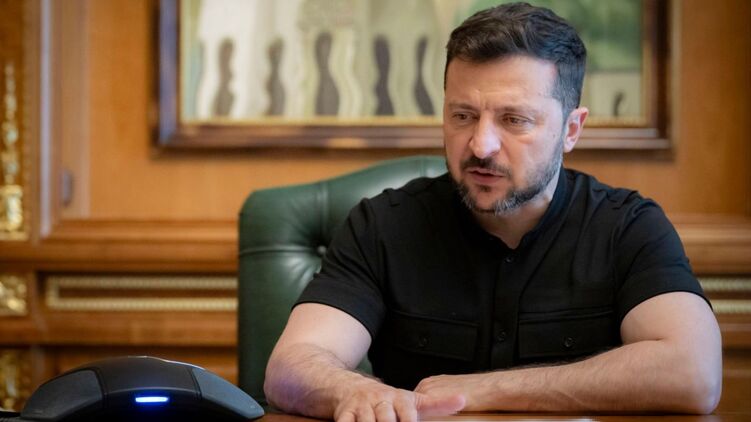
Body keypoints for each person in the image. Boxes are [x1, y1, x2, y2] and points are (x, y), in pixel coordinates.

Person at [264, 2, 723, 420]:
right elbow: (290, 367)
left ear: (571, 130)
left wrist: (483, 390)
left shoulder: (628, 226)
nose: (481, 145)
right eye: (462, 116)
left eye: (514, 120)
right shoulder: (381, 226)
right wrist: (353, 390)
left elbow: (694, 372)